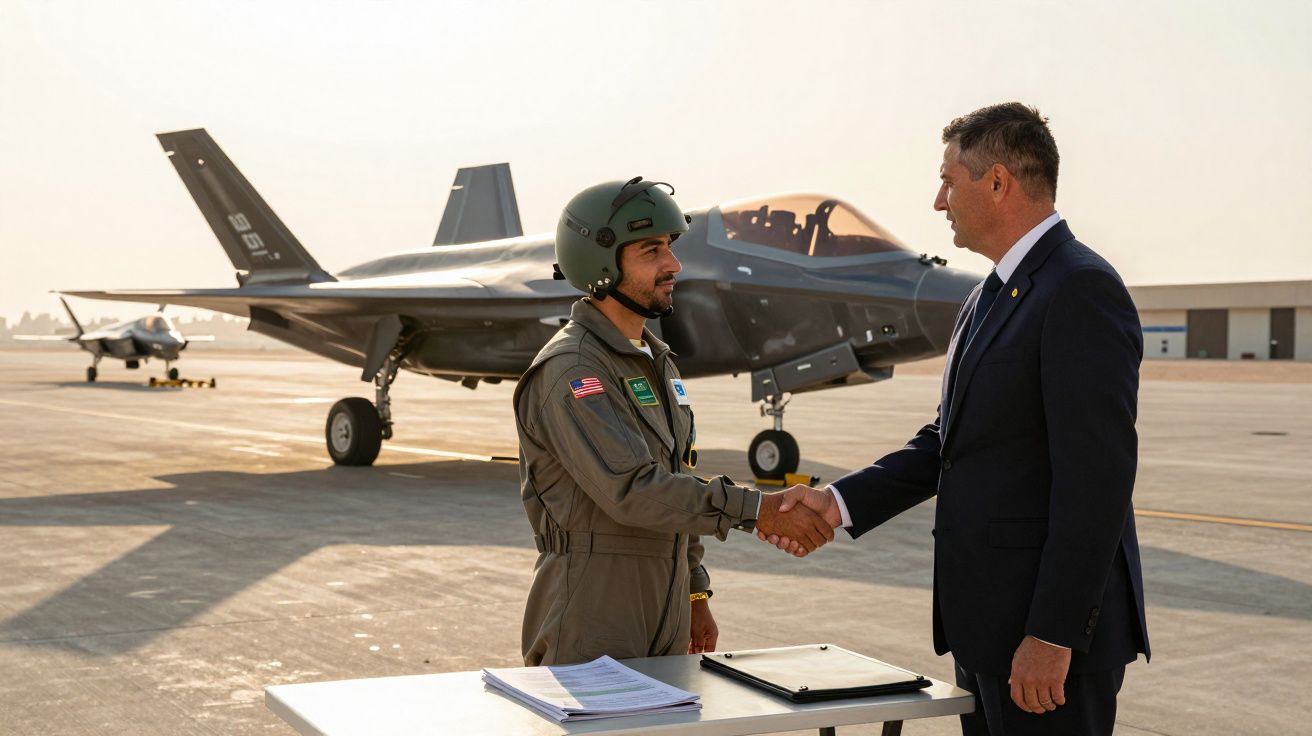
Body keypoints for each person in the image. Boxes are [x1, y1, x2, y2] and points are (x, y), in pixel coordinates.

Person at [764, 103, 1150, 735]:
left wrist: (1053, 634)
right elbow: (948, 441)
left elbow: (1097, 483)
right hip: (989, 632)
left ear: (997, 182)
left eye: (948, 180)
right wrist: (838, 503)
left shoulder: (1079, 289)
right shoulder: (987, 295)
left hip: (1046, 648)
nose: (938, 200)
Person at [514, 177, 834, 666]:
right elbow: (634, 491)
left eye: (669, 246)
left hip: (663, 613)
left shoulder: (655, 361)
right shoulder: (574, 370)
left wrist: (694, 591)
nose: (673, 265)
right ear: (601, 265)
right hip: (591, 616)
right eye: (651, 251)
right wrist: (757, 509)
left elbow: (675, 480)